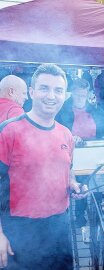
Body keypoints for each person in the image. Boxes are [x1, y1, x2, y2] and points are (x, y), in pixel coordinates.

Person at [0, 64, 87, 269]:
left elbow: (68, 169)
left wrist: (73, 184)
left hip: (59, 228)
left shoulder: (66, 134)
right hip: (20, 232)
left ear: (64, 95)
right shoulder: (9, 131)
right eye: (44, 88)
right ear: (31, 92)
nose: (51, 96)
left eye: (58, 90)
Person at [56, 78, 104, 227]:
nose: (80, 98)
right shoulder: (62, 110)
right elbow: (55, 130)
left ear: (88, 94)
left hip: (90, 153)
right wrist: (70, 137)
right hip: (67, 153)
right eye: (77, 95)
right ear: (72, 93)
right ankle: (69, 217)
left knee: (87, 184)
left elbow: (102, 128)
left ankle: (89, 216)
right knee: (69, 185)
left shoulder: (94, 109)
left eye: (83, 95)